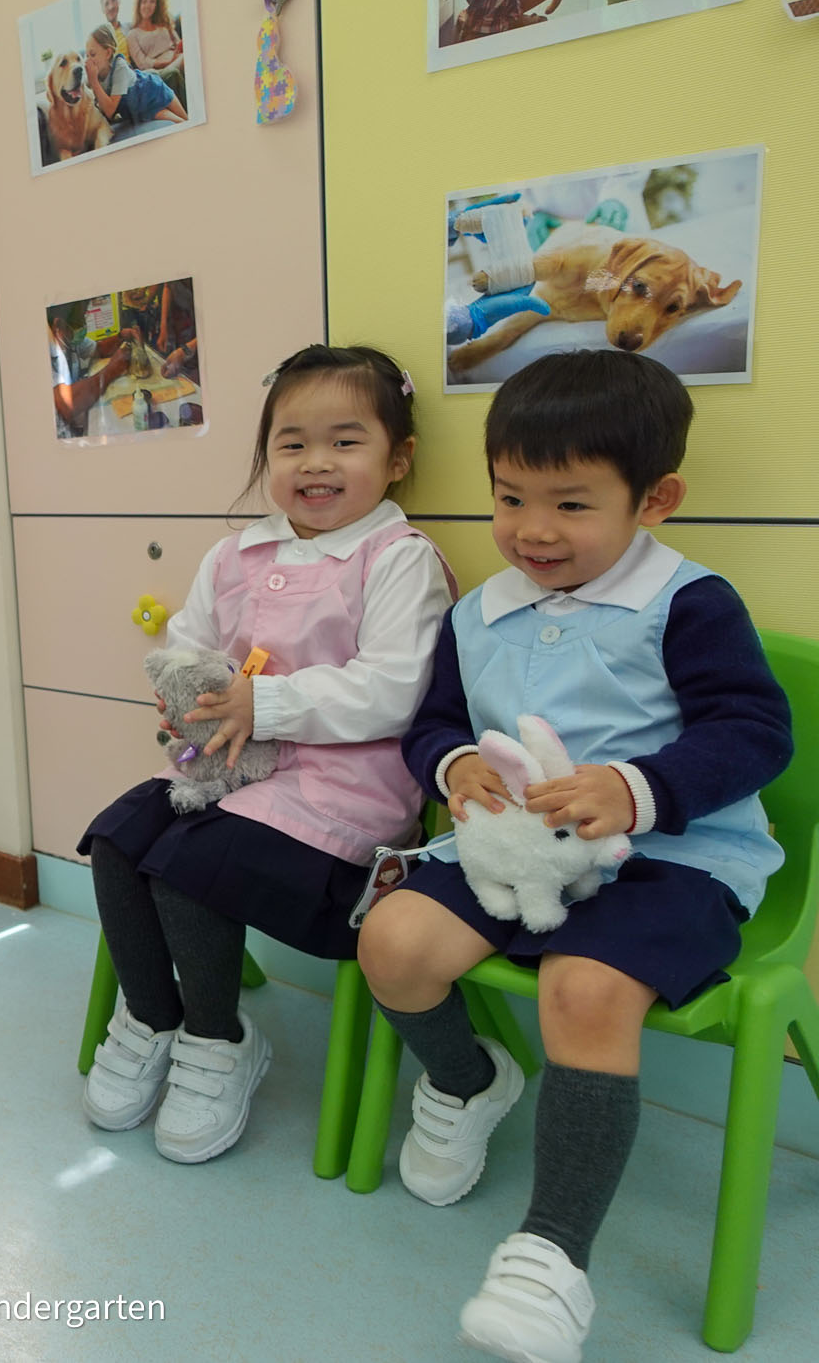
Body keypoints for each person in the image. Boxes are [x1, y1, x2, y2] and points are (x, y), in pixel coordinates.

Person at [356, 351, 789, 1363]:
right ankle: (468, 1079)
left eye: (570, 504)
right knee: (391, 941)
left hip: (674, 856)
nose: (533, 530)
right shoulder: (477, 613)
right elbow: (432, 725)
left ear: (655, 500)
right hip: (513, 848)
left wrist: (636, 787)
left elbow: (755, 731)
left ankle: (551, 1257)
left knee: (582, 988)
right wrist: (454, 763)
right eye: (510, 498)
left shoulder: (689, 601)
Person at [77, 344, 455, 1165]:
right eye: (292, 444)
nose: (316, 462)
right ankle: (154, 1017)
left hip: (341, 801)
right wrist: (185, 691)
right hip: (225, 770)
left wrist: (264, 703)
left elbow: (394, 689)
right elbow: (189, 646)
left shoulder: (399, 558)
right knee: (117, 840)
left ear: (399, 458)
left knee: (188, 868)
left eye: (345, 441)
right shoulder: (235, 554)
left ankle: (218, 1040)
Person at [48, 304, 139, 441]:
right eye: (80, 320)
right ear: (59, 325)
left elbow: (98, 349)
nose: (84, 324)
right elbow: (66, 404)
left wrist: (121, 336)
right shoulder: (41, 351)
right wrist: (111, 370)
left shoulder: (69, 336)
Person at [82, 25, 183, 136]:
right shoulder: (95, 74)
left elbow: (110, 111)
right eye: (86, 56)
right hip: (140, 109)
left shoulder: (119, 67)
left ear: (108, 53)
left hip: (153, 91)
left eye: (92, 54)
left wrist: (94, 82)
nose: (88, 61)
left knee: (183, 122)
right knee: (174, 121)